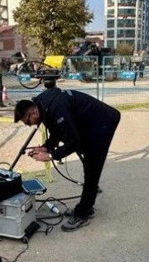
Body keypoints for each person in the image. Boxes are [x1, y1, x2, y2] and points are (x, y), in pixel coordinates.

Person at [14, 88, 121, 231]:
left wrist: (50, 156)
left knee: (91, 168)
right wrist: (46, 147)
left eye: (28, 122)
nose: (29, 125)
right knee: (89, 163)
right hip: (89, 123)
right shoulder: (43, 106)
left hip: (103, 123)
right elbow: (57, 131)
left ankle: (84, 213)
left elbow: (73, 142)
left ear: (33, 112)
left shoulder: (56, 108)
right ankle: (85, 206)